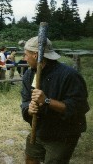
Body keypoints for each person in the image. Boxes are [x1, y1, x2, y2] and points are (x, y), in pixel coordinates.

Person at [20, 36, 90, 164]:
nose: (24, 58)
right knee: (30, 158)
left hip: (63, 134)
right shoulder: (29, 75)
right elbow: (25, 100)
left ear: (36, 55)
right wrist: (29, 109)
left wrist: (47, 101)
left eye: (26, 55)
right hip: (39, 130)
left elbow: (79, 107)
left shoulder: (69, 75)